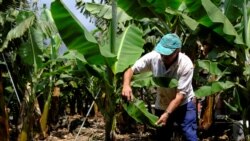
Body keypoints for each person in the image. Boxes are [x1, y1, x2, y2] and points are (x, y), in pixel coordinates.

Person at [122, 33, 198, 141]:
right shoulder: (154, 57)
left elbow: (180, 96)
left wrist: (167, 113)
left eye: (168, 54)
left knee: (189, 135)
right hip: (162, 103)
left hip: (183, 104)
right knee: (162, 136)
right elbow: (130, 69)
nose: (163, 56)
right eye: (162, 53)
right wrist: (126, 85)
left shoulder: (186, 65)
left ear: (177, 51)